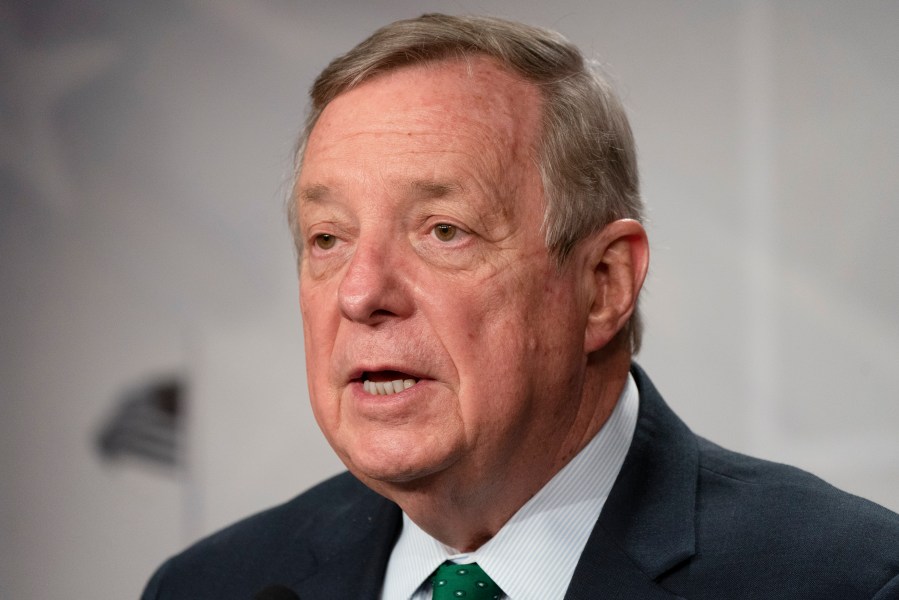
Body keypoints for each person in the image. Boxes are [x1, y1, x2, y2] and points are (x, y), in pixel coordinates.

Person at [143, 13, 899, 600]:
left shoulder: (846, 580)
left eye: (443, 231)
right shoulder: (213, 586)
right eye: (327, 238)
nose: (360, 292)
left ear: (602, 283)